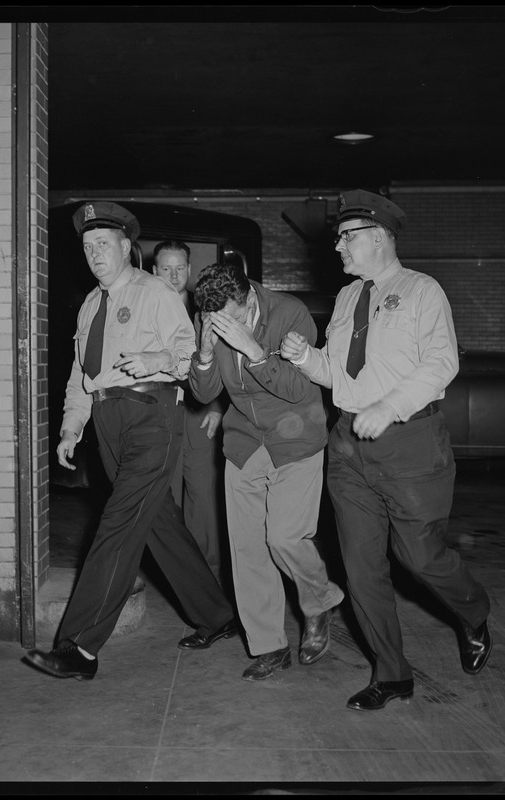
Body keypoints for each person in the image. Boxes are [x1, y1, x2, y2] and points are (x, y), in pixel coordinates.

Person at [280, 189, 492, 710]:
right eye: (339, 238)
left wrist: (389, 406)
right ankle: (392, 674)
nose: (338, 248)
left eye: (347, 238)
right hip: (348, 446)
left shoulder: (422, 291)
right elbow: (337, 372)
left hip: (409, 444)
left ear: (378, 238)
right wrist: (307, 358)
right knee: (359, 566)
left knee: (419, 557)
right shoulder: (348, 298)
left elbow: (441, 364)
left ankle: (473, 610)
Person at [23, 202, 237, 681]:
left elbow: (192, 358)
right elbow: (82, 372)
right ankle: (217, 615)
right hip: (106, 422)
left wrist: (158, 357)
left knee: (116, 525)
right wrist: (71, 426)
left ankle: (79, 647)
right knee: (159, 524)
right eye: (87, 246)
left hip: (152, 417)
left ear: (126, 248)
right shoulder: (88, 304)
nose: (95, 253)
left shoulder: (155, 291)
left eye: (104, 244)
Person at [189, 262, 345, 681]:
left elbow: (300, 388)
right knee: (246, 548)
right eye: (214, 318)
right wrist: (204, 353)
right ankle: (269, 646)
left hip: (296, 438)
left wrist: (254, 351)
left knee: (284, 537)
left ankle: (319, 599)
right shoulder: (212, 314)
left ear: (249, 299)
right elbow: (204, 392)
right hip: (244, 443)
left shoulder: (290, 314)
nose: (225, 326)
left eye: (233, 318)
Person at [153, 241, 228, 583]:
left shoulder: (204, 312)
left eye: (179, 268)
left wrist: (218, 407)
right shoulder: (146, 311)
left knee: (203, 498)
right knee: (167, 499)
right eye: (165, 268)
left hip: (199, 412)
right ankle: (179, 578)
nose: (172, 275)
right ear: (155, 271)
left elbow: (225, 361)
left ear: (189, 270)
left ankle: (208, 577)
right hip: (160, 415)